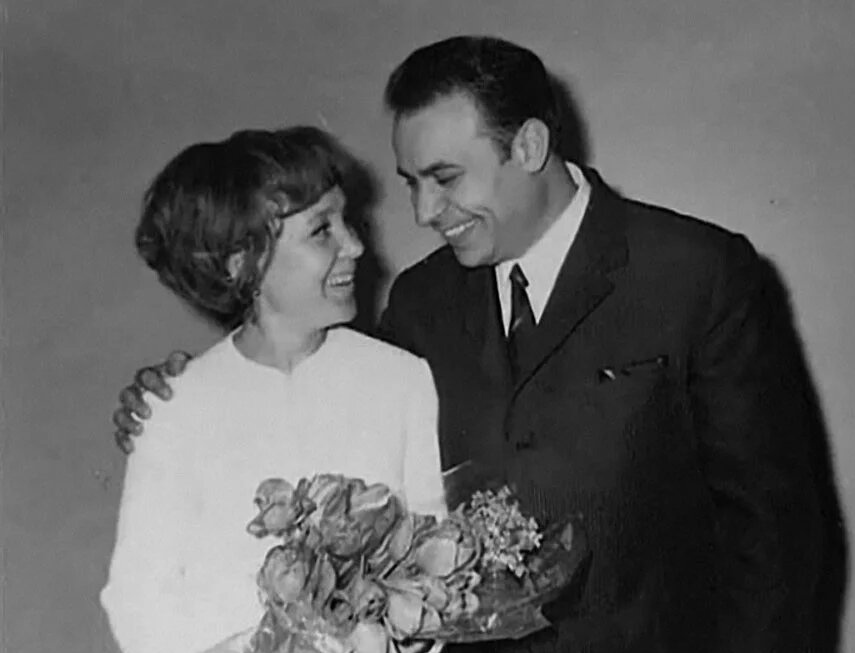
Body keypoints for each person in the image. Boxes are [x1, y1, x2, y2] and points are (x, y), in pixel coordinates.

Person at [112, 37, 822, 653]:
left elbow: (778, 538)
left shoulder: (695, 273)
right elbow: (322, 410)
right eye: (412, 184)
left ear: (528, 146)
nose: (424, 212)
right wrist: (171, 394)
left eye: (444, 179)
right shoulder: (421, 302)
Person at [100, 127, 446, 653]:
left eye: (347, 221)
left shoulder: (403, 380)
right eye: (321, 230)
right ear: (243, 262)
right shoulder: (176, 407)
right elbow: (137, 597)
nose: (355, 245)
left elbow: (434, 569)